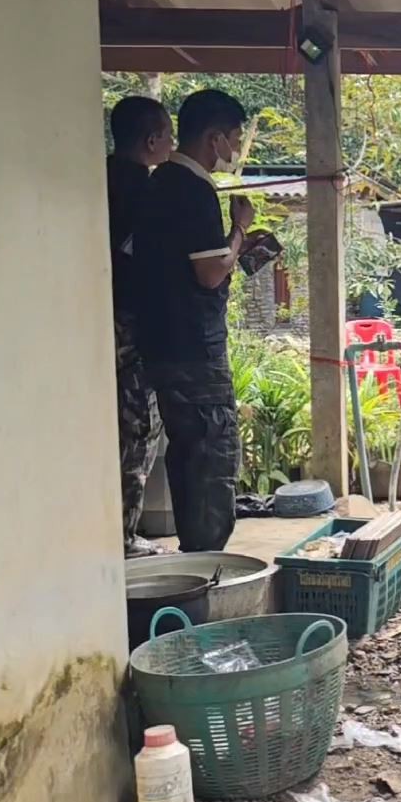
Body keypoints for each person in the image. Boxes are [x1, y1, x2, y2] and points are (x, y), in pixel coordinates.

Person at [132, 89, 254, 552]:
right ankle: (207, 560)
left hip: (159, 341)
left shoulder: (155, 183)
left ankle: (195, 555)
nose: (235, 148)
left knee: (186, 450)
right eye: (235, 138)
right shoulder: (194, 189)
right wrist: (240, 230)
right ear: (215, 137)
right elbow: (209, 272)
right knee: (211, 450)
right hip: (195, 347)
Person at [107, 96, 174, 557]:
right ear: (151, 141)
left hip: (96, 319)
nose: (171, 144)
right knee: (138, 429)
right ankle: (124, 537)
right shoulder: (144, 192)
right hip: (130, 326)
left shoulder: (96, 177)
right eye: (168, 135)